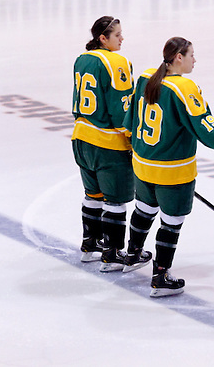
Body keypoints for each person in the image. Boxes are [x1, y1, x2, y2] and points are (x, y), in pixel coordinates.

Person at [123, 36, 214, 297]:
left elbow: (130, 118)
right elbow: (203, 122)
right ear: (179, 57)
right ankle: (160, 276)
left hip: (142, 164)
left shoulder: (146, 77)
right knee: (171, 221)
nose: (194, 60)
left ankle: (132, 255)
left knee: (144, 209)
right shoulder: (183, 87)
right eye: (191, 55)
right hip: (172, 171)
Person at [71, 16, 152, 273]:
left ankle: (90, 244)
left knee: (93, 195)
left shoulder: (82, 59)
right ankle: (112, 254)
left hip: (81, 139)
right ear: (103, 38)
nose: (122, 39)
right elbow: (122, 106)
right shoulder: (117, 61)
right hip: (106, 144)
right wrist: (132, 138)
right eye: (117, 35)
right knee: (115, 200)